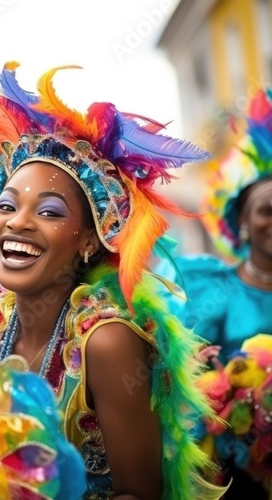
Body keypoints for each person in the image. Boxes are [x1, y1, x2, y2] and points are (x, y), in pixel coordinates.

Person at [0, 62, 226, 499]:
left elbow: (139, 493)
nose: (18, 224)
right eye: (7, 206)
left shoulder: (105, 343)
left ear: (89, 241)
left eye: (49, 213)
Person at [155, 88, 272, 498]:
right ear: (242, 220)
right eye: (266, 210)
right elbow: (181, 386)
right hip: (236, 478)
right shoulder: (209, 288)